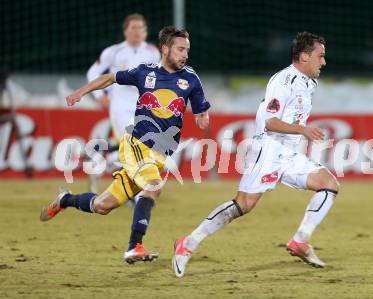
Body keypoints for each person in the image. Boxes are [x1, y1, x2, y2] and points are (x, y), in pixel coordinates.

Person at [172, 32, 339, 278]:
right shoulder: (283, 81)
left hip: (289, 153)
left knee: (329, 184)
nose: (323, 62)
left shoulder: (309, 83)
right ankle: (188, 243)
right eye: (320, 56)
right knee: (244, 204)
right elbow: (270, 122)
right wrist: (303, 130)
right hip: (269, 148)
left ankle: (301, 240)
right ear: (304, 57)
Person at [40, 26, 211, 264]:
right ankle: (134, 246)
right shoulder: (145, 72)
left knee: (102, 205)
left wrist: (202, 118)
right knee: (153, 187)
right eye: (180, 49)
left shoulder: (191, 78)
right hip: (137, 143)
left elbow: (202, 110)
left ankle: (65, 200)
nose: (185, 54)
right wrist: (81, 92)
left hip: (159, 155)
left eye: (187, 50)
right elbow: (110, 78)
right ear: (165, 49)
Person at [86, 13, 161, 193]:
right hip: (120, 105)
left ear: (145, 32)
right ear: (125, 31)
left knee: (136, 148)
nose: (137, 32)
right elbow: (93, 72)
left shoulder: (152, 52)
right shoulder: (114, 52)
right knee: (131, 146)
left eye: (140, 28)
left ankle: (97, 166)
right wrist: (100, 96)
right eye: (133, 28)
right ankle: (134, 193)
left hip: (142, 106)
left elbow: (158, 77)